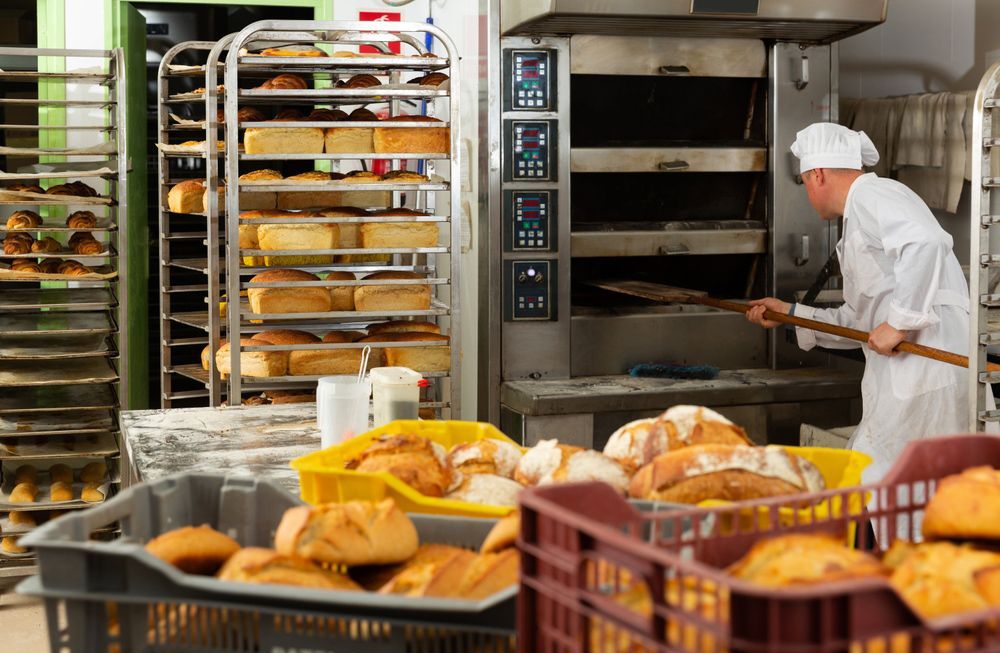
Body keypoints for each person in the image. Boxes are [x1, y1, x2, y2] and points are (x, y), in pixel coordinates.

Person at [746, 122, 981, 483]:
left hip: (926, 369)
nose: (808, 193)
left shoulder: (875, 195)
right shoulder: (860, 215)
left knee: (893, 485)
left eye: (805, 181)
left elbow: (926, 241)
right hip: (910, 371)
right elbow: (863, 322)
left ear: (818, 175)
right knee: (888, 484)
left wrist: (899, 324)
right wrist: (792, 315)